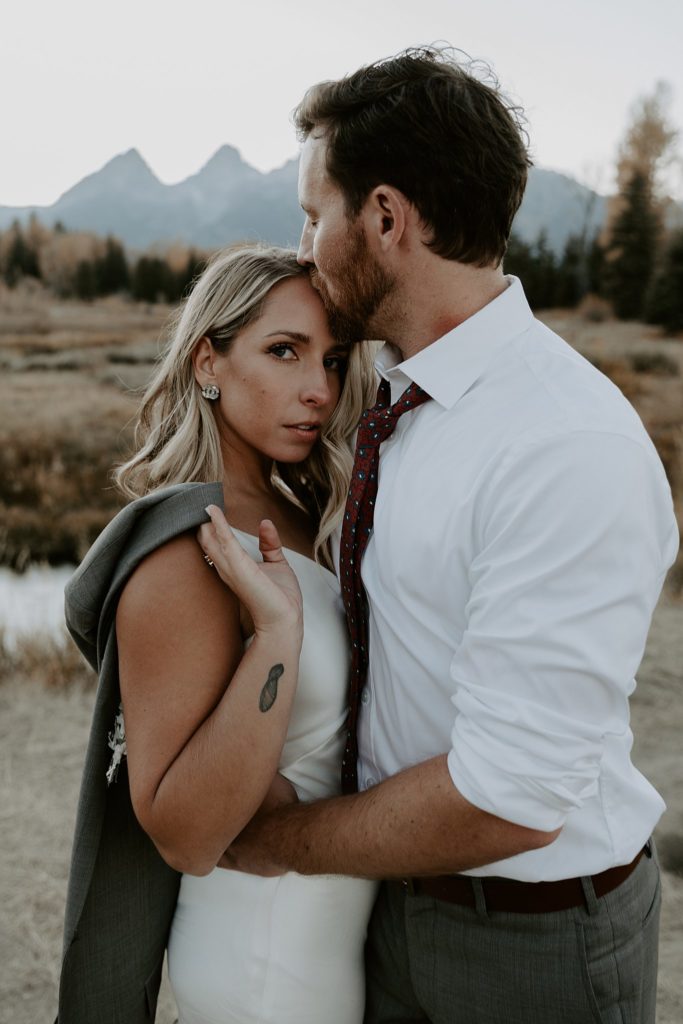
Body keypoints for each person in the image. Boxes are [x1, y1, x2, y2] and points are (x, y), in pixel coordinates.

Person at [207, 48, 680, 1024]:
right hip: (387, 907)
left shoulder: (561, 443)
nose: (302, 247)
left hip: (529, 948)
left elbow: (507, 796)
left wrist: (280, 840)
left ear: (383, 217)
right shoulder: (389, 396)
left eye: (313, 212)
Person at [55, 242, 378, 1024]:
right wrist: (274, 638)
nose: (317, 390)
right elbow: (187, 835)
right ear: (209, 361)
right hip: (261, 965)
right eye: (283, 352)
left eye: (332, 362)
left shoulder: (301, 511)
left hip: (332, 944)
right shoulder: (188, 548)